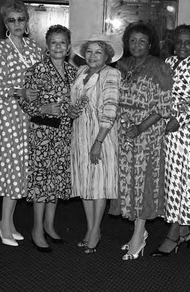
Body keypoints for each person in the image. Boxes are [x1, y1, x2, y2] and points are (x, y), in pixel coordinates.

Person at [109, 22, 173, 260]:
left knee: (143, 181)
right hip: (123, 131)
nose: (137, 45)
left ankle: (138, 235)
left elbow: (164, 107)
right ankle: (139, 232)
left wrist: (140, 127)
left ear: (150, 44)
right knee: (127, 182)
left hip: (147, 133)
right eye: (133, 41)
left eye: (142, 41)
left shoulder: (160, 67)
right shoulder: (120, 65)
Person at [151, 24, 190, 257]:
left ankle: (173, 235)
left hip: (186, 133)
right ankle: (185, 230)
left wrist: (180, 118)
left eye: (188, 42)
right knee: (171, 182)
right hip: (166, 129)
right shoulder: (168, 62)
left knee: (181, 182)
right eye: (179, 42)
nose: (183, 46)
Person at [0, 0, 43, 246]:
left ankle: (7, 223)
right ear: (5, 23)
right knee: (11, 170)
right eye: (12, 20)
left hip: (31, 117)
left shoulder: (34, 48)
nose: (17, 24)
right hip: (9, 116)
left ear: (27, 20)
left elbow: (42, 81)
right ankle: (4, 225)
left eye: (21, 19)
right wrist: (21, 91)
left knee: (22, 171)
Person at [19, 25, 77, 252]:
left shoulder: (74, 72)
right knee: (42, 183)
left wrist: (73, 111)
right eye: (54, 42)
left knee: (57, 181)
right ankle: (36, 230)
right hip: (43, 135)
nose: (58, 47)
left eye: (62, 42)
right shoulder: (36, 70)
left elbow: (75, 102)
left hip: (63, 133)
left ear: (69, 46)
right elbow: (24, 101)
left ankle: (50, 226)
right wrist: (43, 107)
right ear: (47, 45)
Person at [70, 33, 122, 254]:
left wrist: (98, 142)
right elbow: (73, 101)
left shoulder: (112, 74)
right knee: (85, 185)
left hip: (101, 135)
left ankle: (95, 231)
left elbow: (111, 108)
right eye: (89, 51)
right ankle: (91, 228)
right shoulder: (80, 72)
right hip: (80, 134)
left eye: (98, 52)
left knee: (98, 186)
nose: (92, 56)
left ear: (107, 56)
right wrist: (71, 110)